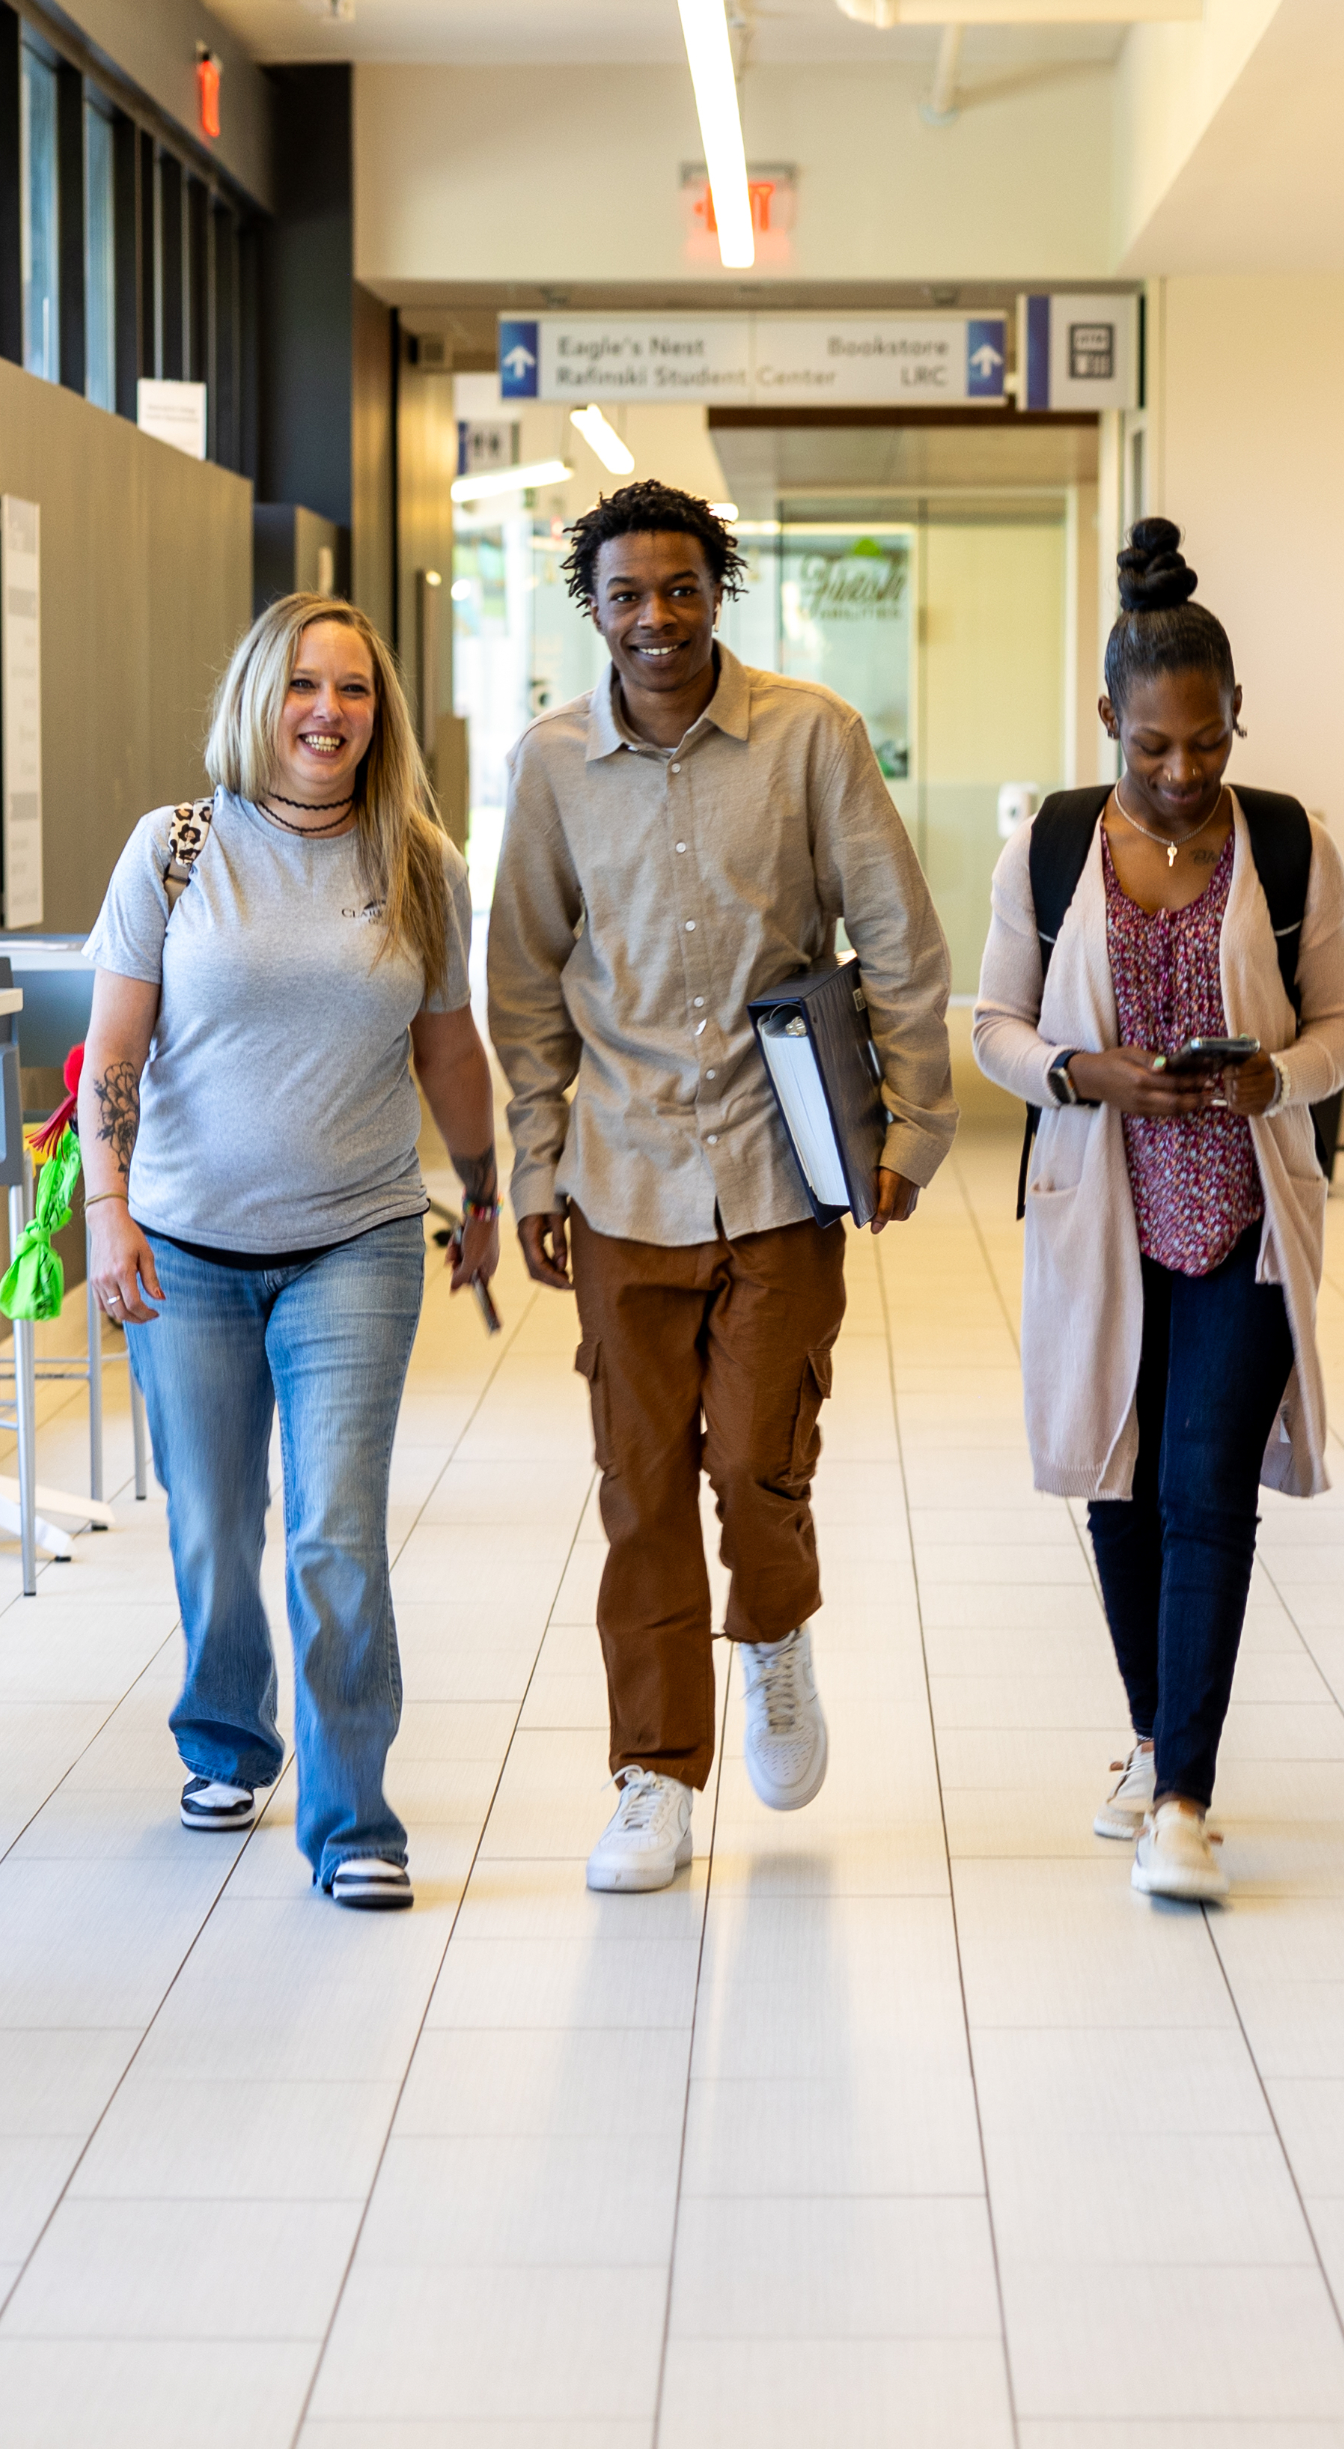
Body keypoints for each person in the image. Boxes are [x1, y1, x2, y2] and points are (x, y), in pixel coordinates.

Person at [488, 478, 957, 1894]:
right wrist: (531, 1159)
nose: (656, 618)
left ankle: (774, 1635)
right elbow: (521, 981)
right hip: (622, 1177)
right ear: (595, 607)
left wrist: (916, 1125)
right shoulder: (553, 763)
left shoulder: (811, 736)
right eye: (626, 594)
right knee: (639, 1489)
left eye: (680, 588)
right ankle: (652, 1773)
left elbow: (899, 937)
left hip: (780, 1167)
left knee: (758, 1462)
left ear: (718, 590)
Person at [79, 593, 504, 1911]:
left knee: (334, 1529)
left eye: (357, 689)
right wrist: (107, 1203)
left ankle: (353, 1817)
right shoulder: (175, 846)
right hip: (188, 1242)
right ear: (259, 697)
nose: (331, 711)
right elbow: (115, 1050)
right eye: (306, 684)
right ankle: (227, 1731)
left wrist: (483, 1193)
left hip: (359, 1239)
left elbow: (446, 1045)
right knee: (213, 1519)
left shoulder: (421, 861)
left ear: (382, 713)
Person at [970, 520, 1344, 1905]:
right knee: (1118, 1490)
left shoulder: (1293, 842)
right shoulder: (1056, 842)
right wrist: (1080, 1073)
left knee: (1205, 1492)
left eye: (1208, 743)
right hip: (1102, 1212)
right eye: (1155, 747)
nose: (1186, 772)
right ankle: (1151, 1735)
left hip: (1242, 1221)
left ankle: (1185, 1797)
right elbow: (994, 1026)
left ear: (1237, 719)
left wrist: (1274, 1076)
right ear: (1109, 725)